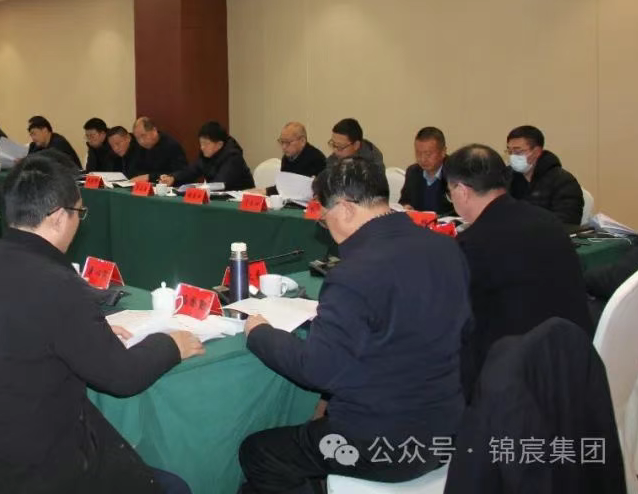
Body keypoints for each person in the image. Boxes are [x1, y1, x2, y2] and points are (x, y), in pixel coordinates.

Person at [0, 155, 203, 494]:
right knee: (174, 487)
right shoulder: (58, 285)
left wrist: (89, 330)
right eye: (79, 212)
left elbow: (21, 331)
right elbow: (122, 376)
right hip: (30, 471)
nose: (79, 221)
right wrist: (171, 344)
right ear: (57, 218)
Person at [239, 158, 469, 494]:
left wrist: (260, 333)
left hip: (380, 442)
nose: (324, 225)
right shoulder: (445, 247)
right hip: (447, 428)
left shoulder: (355, 272)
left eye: (324, 216)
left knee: (259, 452)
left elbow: (317, 370)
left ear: (345, 208)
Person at [444, 144, 592, 398]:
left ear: (462, 190)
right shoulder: (547, 220)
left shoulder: (473, 244)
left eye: (450, 193)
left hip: (515, 382)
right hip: (574, 364)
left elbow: (457, 321)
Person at [505, 125, 584, 225]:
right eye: (509, 152)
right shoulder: (506, 177)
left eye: (518, 151)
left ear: (537, 152)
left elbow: (568, 220)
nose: (512, 157)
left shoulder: (563, 181)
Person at [160, 121, 254, 191]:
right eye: (201, 143)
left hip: (239, 200)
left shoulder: (233, 157)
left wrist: (198, 188)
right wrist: (173, 178)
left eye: (206, 144)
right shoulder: (207, 155)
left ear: (219, 144)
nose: (202, 147)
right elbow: (191, 171)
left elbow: (220, 184)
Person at [398, 126, 454, 215]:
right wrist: (406, 207)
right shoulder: (412, 172)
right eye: (418, 153)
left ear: (443, 151)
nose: (422, 159)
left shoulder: (456, 172)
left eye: (428, 154)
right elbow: (404, 201)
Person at [130, 117, 188, 182]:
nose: (141, 141)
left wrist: (150, 177)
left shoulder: (171, 145)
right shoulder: (139, 147)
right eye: (137, 138)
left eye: (143, 135)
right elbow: (135, 170)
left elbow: (180, 173)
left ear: (154, 131)